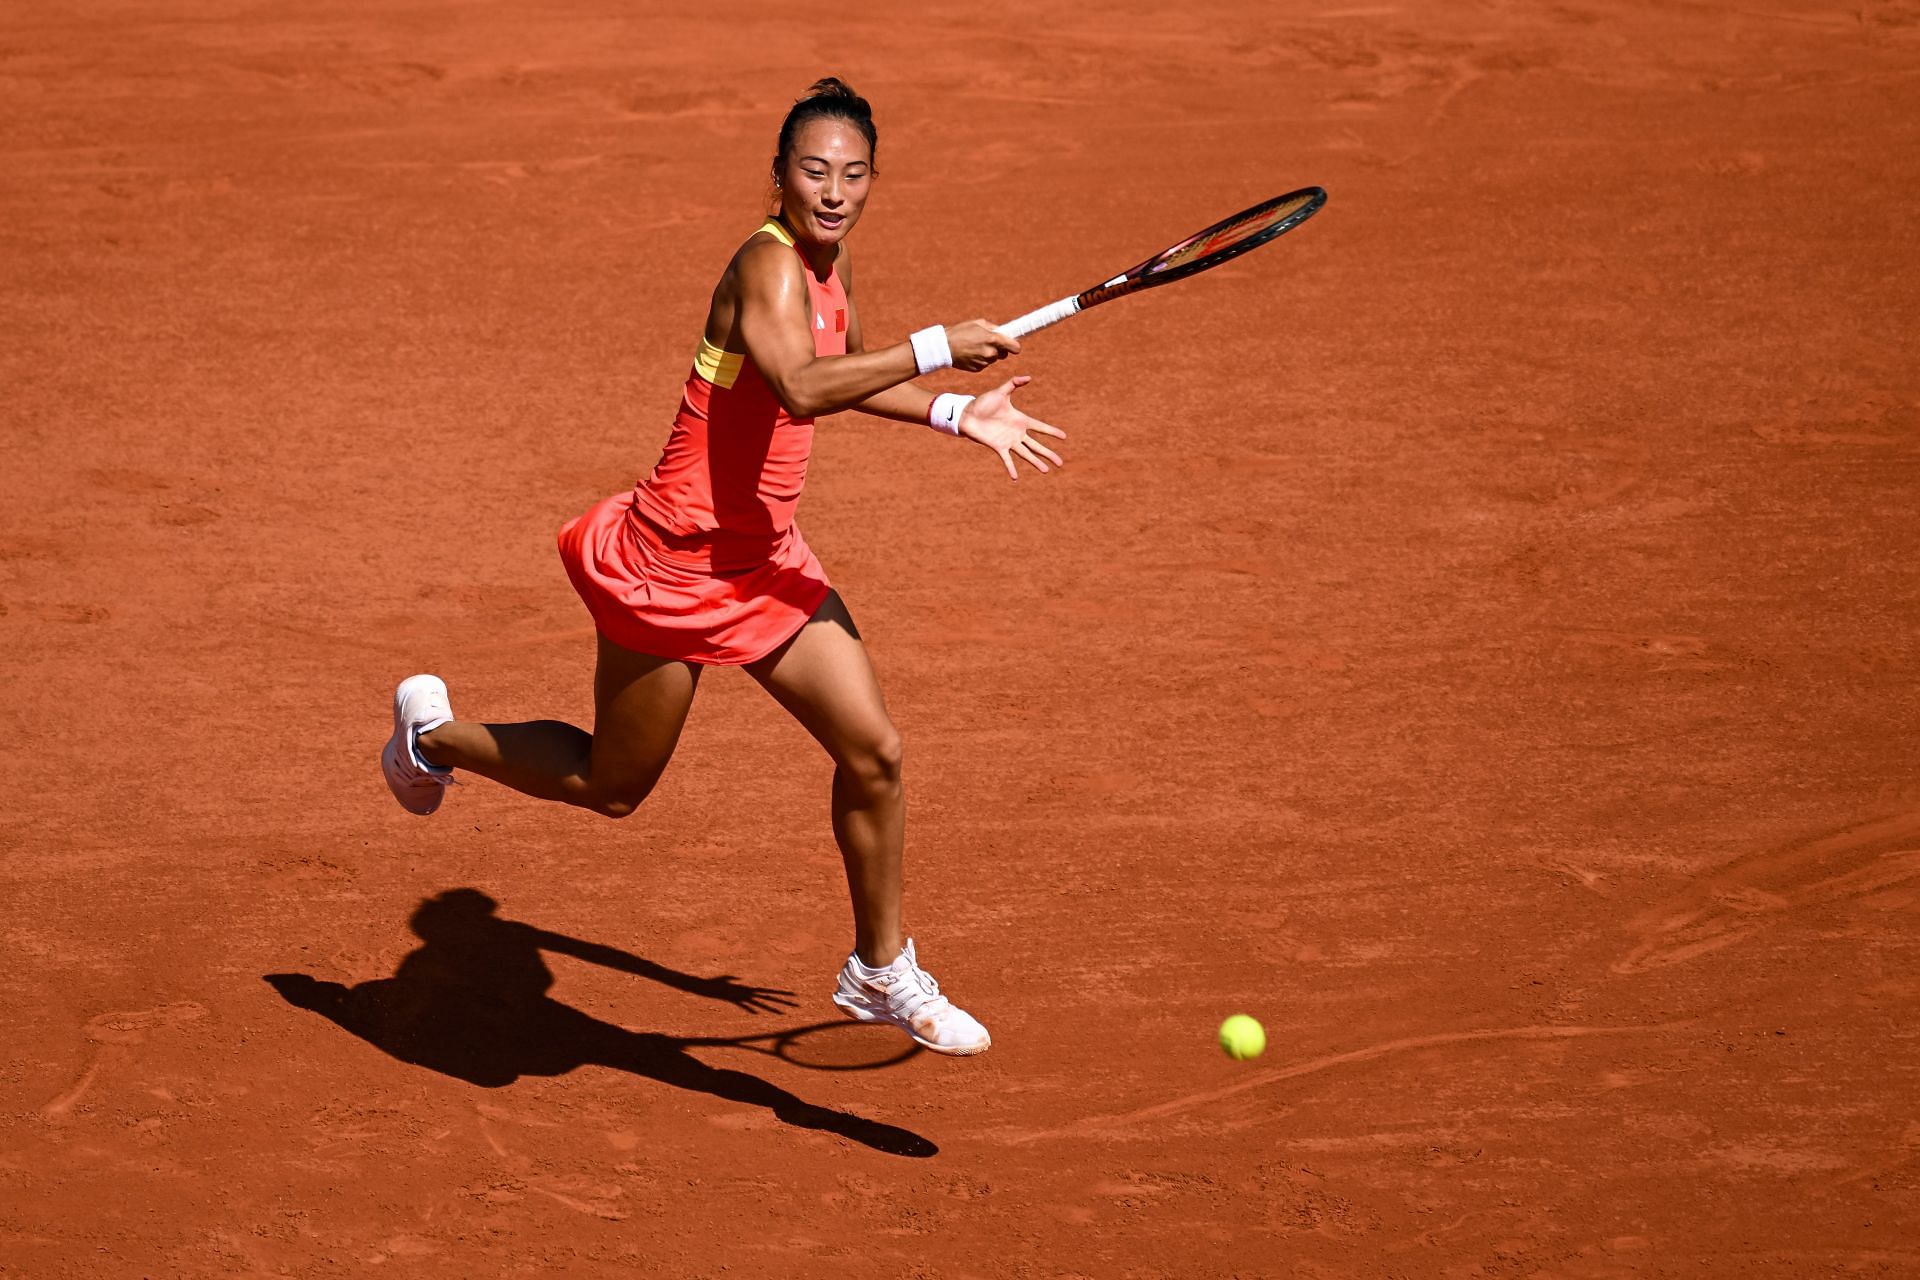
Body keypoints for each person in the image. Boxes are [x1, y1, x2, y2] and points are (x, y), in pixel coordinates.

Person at [379, 77, 1064, 1057]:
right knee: (611, 783)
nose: (834, 191)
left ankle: (881, 966)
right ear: (778, 175)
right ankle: (435, 738)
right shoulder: (765, 266)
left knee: (875, 751)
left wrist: (956, 410)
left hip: (764, 561)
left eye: (854, 173)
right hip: (674, 563)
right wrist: (937, 348)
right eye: (814, 170)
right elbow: (798, 382)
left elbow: (848, 367)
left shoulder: (832, 265)